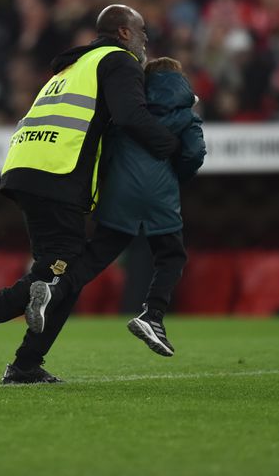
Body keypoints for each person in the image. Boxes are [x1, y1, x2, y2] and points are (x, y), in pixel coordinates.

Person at [0, 4, 180, 383]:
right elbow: (131, 117)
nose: (147, 37)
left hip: (28, 163)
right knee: (57, 276)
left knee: (65, 275)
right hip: (57, 171)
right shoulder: (118, 60)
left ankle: (26, 364)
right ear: (124, 33)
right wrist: (172, 146)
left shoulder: (74, 65)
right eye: (142, 29)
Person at [70, 56, 206, 356]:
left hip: (121, 193)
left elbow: (104, 149)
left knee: (96, 256)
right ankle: (153, 315)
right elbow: (195, 153)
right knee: (171, 256)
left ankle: (54, 291)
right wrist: (174, 175)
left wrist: (109, 179)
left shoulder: (130, 107)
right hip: (160, 195)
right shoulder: (185, 113)